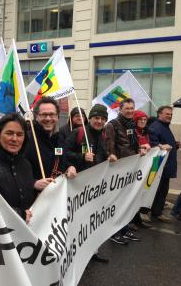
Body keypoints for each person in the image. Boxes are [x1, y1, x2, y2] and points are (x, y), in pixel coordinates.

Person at [0, 113, 53, 221]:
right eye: (9, 133)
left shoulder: (25, 164)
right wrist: (19, 214)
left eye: (20, 134)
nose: (15, 139)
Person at [64, 103, 110, 263]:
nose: (99, 121)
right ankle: (75, 251)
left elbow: (103, 154)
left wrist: (110, 156)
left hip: (95, 186)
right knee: (79, 219)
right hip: (79, 186)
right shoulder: (78, 133)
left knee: (93, 219)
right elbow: (62, 153)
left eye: (103, 119)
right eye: (96, 117)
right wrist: (81, 157)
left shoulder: (103, 135)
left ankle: (93, 250)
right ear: (90, 118)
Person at [105, 98, 141, 244]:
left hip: (131, 167)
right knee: (118, 202)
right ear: (120, 110)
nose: (130, 111)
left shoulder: (132, 124)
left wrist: (140, 150)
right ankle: (114, 232)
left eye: (132, 108)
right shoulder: (112, 125)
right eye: (127, 108)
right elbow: (110, 146)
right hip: (119, 169)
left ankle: (125, 229)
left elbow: (132, 144)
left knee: (127, 201)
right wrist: (112, 157)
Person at [25, 97, 77, 180]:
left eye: (52, 114)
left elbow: (62, 160)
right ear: (36, 117)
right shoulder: (27, 139)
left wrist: (70, 167)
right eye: (44, 115)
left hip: (57, 191)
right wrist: (34, 183)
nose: (48, 118)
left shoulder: (60, 138)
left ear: (57, 117)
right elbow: (18, 171)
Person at [148, 105, 179, 222]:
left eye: (171, 114)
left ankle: (157, 212)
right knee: (156, 190)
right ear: (159, 114)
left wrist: (175, 144)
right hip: (159, 164)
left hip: (166, 165)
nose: (170, 116)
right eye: (167, 114)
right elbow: (153, 145)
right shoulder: (155, 127)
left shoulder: (165, 126)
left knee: (163, 190)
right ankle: (150, 212)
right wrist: (161, 147)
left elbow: (165, 142)